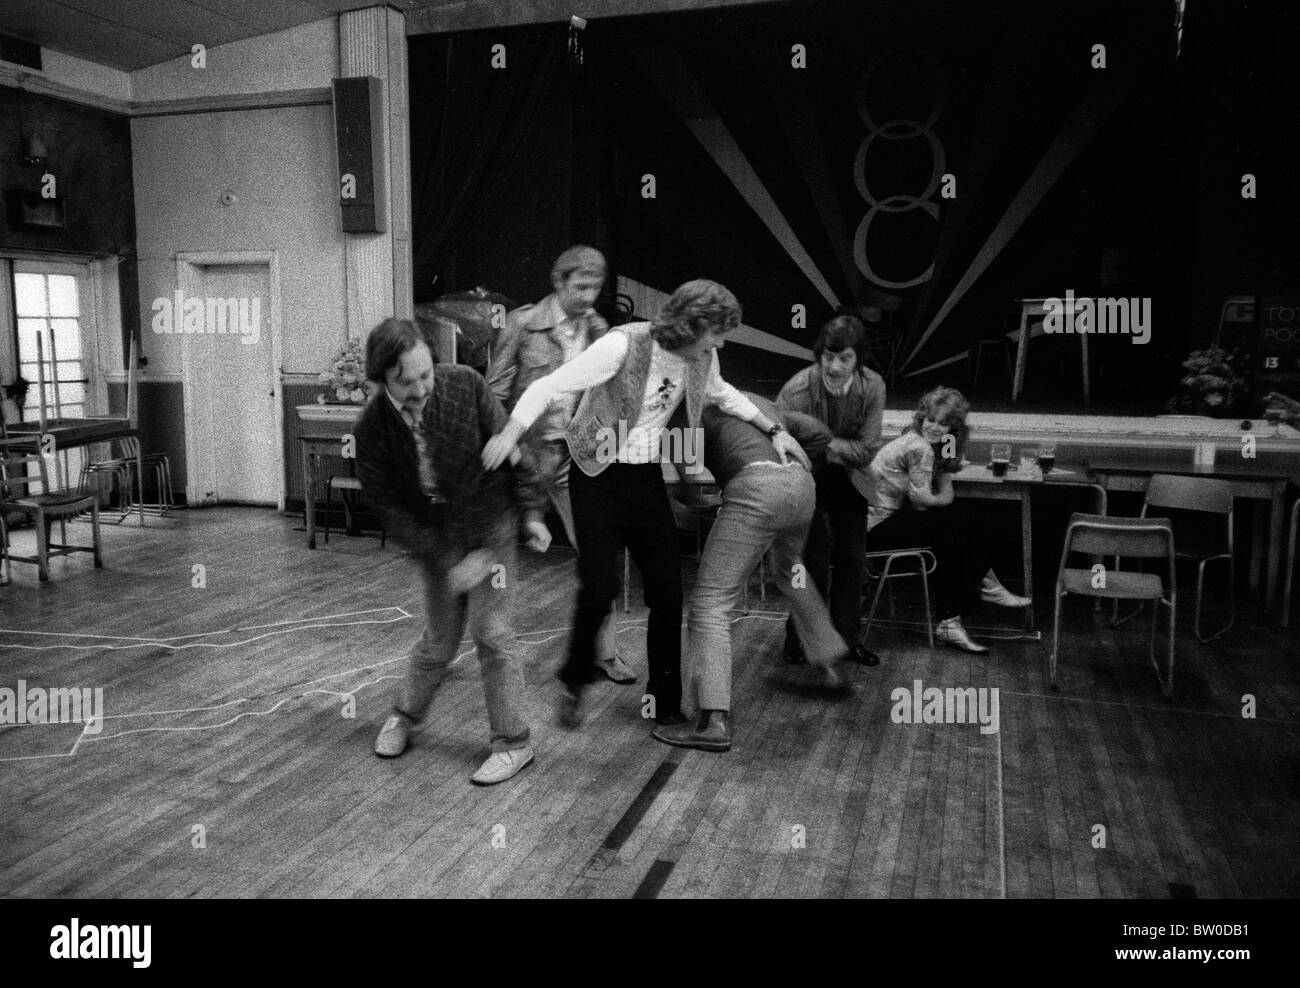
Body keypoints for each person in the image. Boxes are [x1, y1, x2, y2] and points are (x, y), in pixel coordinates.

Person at [482, 279, 809, 731]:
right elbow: (548, 389)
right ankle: (575, 678)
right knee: (600, 587)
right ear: (693, 325)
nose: (721, 342)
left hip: (643, 479)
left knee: (668, 595)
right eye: (716, 332)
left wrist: (776, 431)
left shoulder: (701, 357)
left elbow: (722, 393)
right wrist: (507, 435)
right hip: (595, 475)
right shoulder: (622, 346)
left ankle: (665, 702)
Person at [355, 318, 552, 785]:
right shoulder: (372, 429)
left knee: (491, 632)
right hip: (438, 541)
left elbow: (514, 448)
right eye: (408, 381)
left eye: (427, 373)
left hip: (492, 526)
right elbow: (388, 509)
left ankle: (514, 742)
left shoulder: (466, 384)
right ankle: (405, 716)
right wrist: (448, 561)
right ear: (382, 377)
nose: (423, 386)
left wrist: (531, 514)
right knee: (439, 641)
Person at [654, 394, 850, 753]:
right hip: (801, 485)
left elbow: (691, 482)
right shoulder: (756, 401)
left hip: (757, 490)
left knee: (710, 603)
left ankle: (712, 722)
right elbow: (820, 433)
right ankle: (828, 662)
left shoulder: (681, 409)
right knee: (791, 571)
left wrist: (694, 505)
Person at [485, 245, 635, 685]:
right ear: (558, 282)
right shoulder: (522, 324)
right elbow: (493, 392)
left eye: (596, 287)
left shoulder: (600, 330)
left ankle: (603, 655)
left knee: (598, 558)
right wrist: (507, 447)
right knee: (491, 554)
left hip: (577, 459)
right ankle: (470, 641)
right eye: (581, 286)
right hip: (524, 457)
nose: (589, 296)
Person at [865, 386, 1029, 652]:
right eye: (930, 420)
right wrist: (946, 496)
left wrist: (947, 465)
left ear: (954, 428)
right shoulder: (918, 446)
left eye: (944, 424)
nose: (934, 428)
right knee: (954, 520)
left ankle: (952, 621)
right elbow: (921, 500)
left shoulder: (931, 442)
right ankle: (985, 584)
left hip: (887, 522)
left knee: (950, 538)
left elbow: (946, 470)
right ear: (921, 418)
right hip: (874, 531)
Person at [776, 314, 886, 667]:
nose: (835, 366)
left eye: (844, 359)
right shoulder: (796, 390)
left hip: (851, 479)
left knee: (853, 559)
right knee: (811, 561)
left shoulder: (873, 386)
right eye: (828, 357)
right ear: (819, 355)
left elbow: (867, 449)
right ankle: (800, 641)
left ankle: (848, 641)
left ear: (858, 359)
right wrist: (834, 447)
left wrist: (821, 442)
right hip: (806, 476)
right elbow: (783, 445)